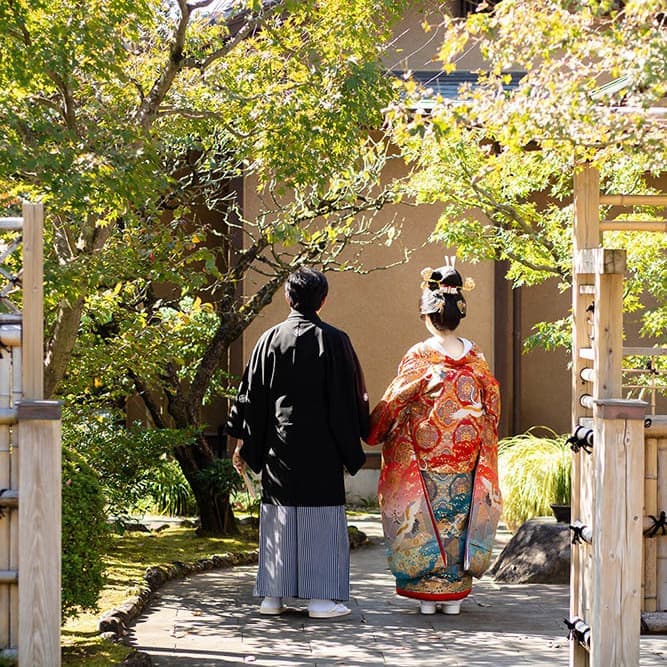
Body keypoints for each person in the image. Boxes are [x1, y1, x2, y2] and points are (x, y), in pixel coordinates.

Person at [226, 267, 369, 619]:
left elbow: (251, 397)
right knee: (320, 518)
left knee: (279, 516)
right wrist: (355, 441)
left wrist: (245, 443)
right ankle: (320, 601)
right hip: (322, 447)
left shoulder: (268, 340)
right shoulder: (335, 340)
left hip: (279, 446)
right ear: (322, 299)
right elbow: (350, 398)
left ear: (288, 297)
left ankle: (272, 598)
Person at [365, 262, 501, 615]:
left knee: (425, 518)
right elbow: (493, 407)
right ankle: (454, 596)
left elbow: (395, 400)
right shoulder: (478, 359)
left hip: (423, 455)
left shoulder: (420, 356)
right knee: (458, 518)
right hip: (467, 457)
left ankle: (427, 597)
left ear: (426, 315)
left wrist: (374, 429)